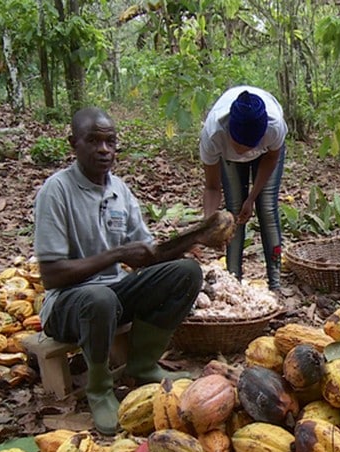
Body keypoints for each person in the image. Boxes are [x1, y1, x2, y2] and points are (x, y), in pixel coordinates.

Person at [34, 108, 210, 435]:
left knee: (186, 273)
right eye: (93, 141)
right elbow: (52, 275)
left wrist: (194, 238)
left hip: (111, 296)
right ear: (73, 143)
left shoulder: (120, 192)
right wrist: (117, 253)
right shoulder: (56, 192)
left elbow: (147, 254)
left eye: (110, 142)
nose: (103, 149)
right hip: (65, 305)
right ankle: (99, 389)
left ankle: (143, 365)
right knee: (100, 298)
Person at [200, 86, 288, 290]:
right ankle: (233, 282)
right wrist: (207, 226)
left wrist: (252, 198)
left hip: (267, 156)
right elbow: (212, 187)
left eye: (250, 147)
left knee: (266, 208)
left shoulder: (274, 127)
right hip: (228, 159)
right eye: (240, 145)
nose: (245, 152)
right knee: (234, 211)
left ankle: (275, 285)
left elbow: (271, 158)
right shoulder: (214, 134)